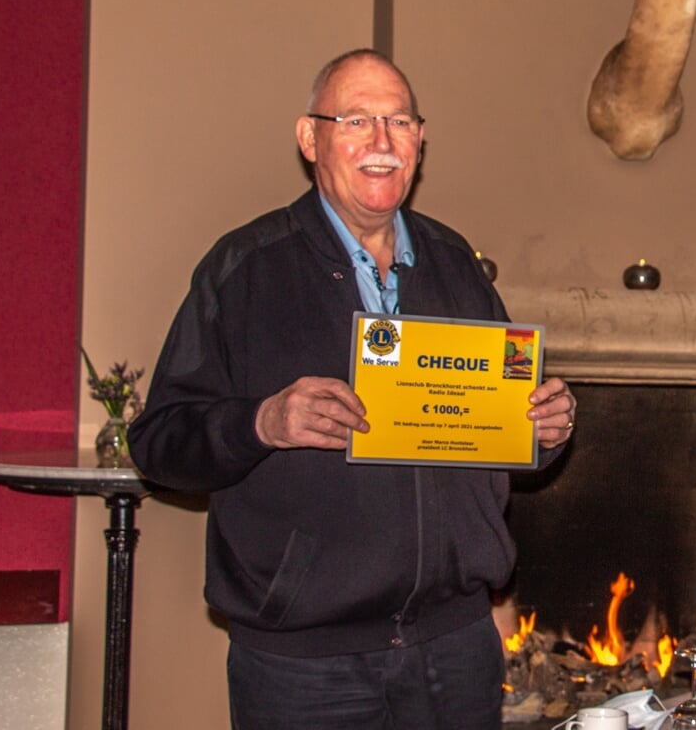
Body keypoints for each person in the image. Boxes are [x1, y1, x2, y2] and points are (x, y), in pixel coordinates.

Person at [129, 48, 577, 729]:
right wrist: (262, 421)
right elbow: (159, 442)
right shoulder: (244, 269)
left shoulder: (454, 262)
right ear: (310, 138)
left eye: (399, 122)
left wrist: (543, 429)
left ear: (420, 143)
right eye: (357, 120)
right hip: (305, 668)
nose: (381, 141)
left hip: (452, 649)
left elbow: (491, 429)